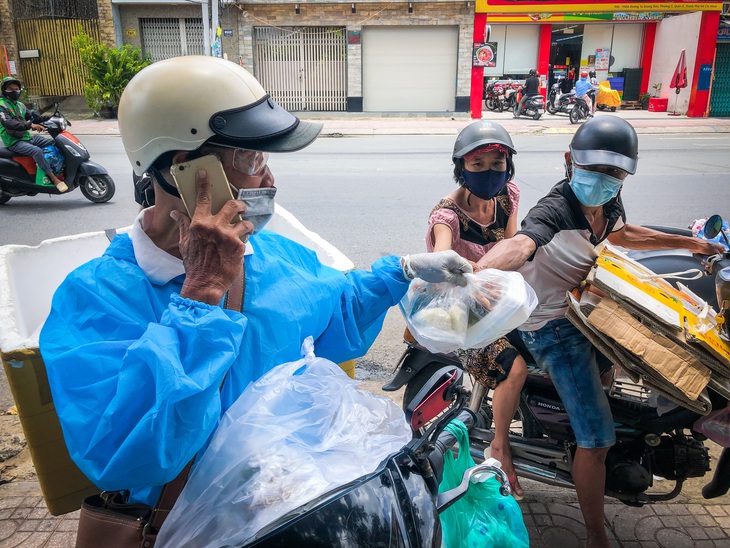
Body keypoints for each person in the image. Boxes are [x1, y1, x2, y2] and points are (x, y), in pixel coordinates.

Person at [39, 56, 472, 521]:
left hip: (295, 504)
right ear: (190, 168)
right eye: (253, 159)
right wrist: (202, 293)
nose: (269, 180)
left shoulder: (271, 255)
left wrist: (402, 270)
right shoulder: (93, 300)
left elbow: (335, 309)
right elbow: (128, 453)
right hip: (194, 524)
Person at [476, 116, 725, 547]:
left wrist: (692, 243)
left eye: (614, 173)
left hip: (584, 309)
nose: (603, 180)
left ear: (624, 176)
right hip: (551, 326)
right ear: (571, 161)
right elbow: (522, 244)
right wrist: (476, 272)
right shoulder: (555, 208)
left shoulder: (609, 206)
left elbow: (624, 234)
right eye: (594, 170)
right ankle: (596, 537)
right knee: (597, 440)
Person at [426, 120, 527, 499]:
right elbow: (441, 258)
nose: (488, 173)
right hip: (463, 311)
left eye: (496, 165)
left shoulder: (508, 197)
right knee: (514, 368)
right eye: (478, 165)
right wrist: (466, 278)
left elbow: (514, 244)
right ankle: (500, 446)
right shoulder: (447, 216)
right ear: (462, 168)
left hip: (502, 301)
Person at [0, 76, 67, 192]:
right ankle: (53, 178)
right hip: (14, 141)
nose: (14, 91)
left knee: (55, 143)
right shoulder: (2, 105)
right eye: (10, 89)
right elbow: (8, 123)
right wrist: (30, 125)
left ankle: (58, 168)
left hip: (27, 137)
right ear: (4, 91)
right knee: (36, 151)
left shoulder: (19, 105)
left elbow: (32, 116)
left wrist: (50, 118)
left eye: (16, 89)